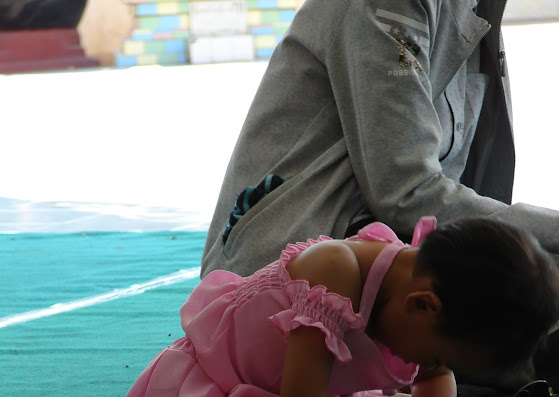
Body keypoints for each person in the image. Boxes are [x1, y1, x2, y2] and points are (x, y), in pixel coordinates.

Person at [114, 217, 559, 397]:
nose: (426, 365)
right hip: (227, 392)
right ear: (424, 306)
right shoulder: (334, 268)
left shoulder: (417, 287)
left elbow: (435, 379)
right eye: (436, 353)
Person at [201, 0, 559, 279]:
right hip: (291, 277)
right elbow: (408, 195)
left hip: (374, 249)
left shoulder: (473, 7)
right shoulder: (386, 5)